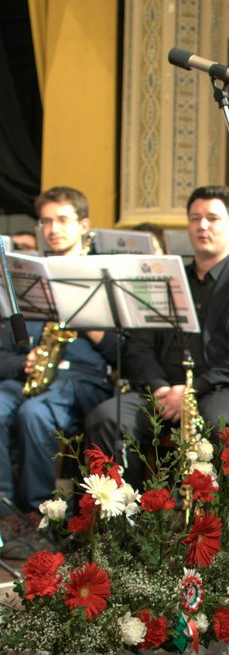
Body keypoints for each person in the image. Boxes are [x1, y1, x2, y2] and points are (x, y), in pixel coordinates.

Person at [84, 185, 229, 484]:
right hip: (164, 390)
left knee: (221, 422)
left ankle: (216, 521)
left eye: (212, 218)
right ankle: (124, 518)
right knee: (107, 417)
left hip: (224, 388)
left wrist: (192, 391)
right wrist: (161, 388)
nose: (202, 225)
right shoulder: (165, 277)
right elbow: (138, 346)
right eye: (195, 218)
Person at [0, 186, 117, 514]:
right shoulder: (25, 278)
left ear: (84, 225)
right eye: (46, 221)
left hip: (83, 381)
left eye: (63, 220)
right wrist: (25, 361)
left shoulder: (104, 276)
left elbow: (121, 350)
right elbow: (3, 354)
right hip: (33, 377)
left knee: (34, 413)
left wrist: (84, 319)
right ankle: (7, 518)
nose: (52, 229)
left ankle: (41, 516)